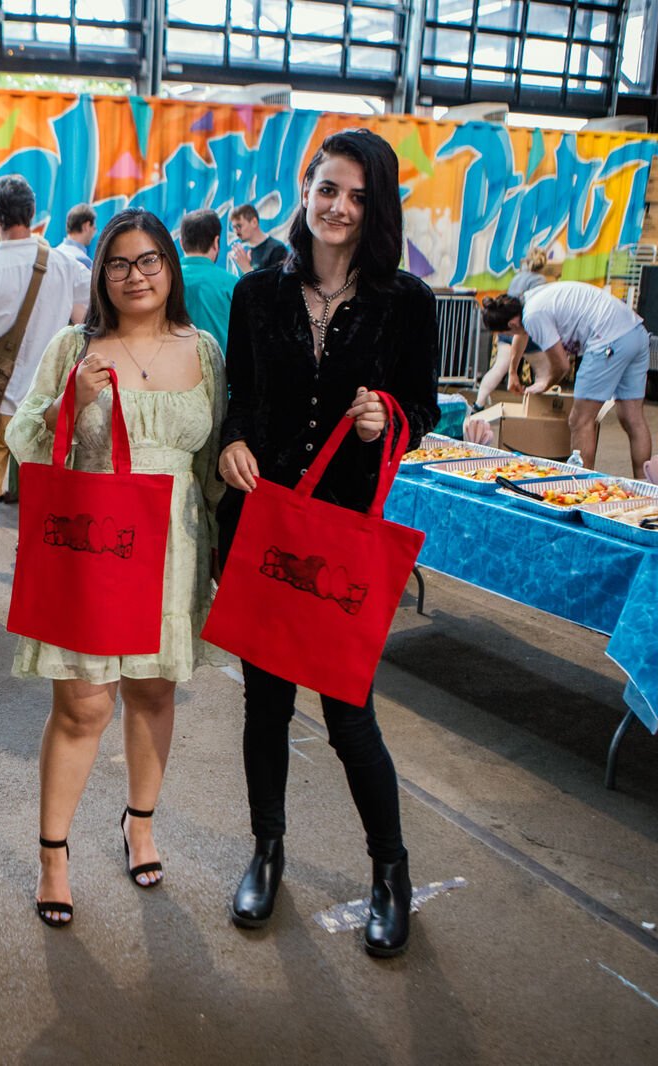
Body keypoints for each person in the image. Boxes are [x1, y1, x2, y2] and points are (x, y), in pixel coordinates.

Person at [217, 128, 439, 957]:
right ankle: (267, 849)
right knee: (264, 703)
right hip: (266, 521)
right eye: (327, 190)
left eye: (357, 195)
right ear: (305, 190)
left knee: (349, 713)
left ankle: (391, 870)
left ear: (375, 206)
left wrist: (394, 417)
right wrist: (232, 440)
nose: (339, 208)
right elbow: (240, 393)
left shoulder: (408, 302)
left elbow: (427, 410)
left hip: (343, 533)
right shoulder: (257, 293)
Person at [2, 208, 226, 929]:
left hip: (174, 546)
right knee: (84, 704)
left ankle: (140, 823)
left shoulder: (207, 350)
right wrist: (77, 399)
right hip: (96, 546)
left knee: (153, 694)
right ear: (101, 274)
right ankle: (53, 855)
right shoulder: (75, 346)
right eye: (120, 263)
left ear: (172, 268)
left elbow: (213, 458)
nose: (136, 275)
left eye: (149, 260)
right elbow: (25, 440)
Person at [0, 175, 90, 551]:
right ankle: (40, 586)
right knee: (45, 504)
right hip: (46, 405)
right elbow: (88, 317)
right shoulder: (64, 264)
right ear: (32, 213)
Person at [480, 281, 652, 474]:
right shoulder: (529, 301)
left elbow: (561, 365)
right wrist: (513, 372)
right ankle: (644, 484)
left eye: (506, 334)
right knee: (632, 418)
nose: (510, 337)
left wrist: (544, 384)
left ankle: (581, 487)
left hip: (608, 341)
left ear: (511, 324)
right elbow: (522, 333)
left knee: (580, 421)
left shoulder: (533, 316)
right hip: (635, 332)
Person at [476, 247, 549, 406]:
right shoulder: (540, 281)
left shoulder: (517, 277)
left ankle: (478, 404)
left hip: (507, 328)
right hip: (525, 330)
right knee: (544, 372)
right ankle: (539, 410)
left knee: (498, 368)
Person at [177, 207, 238, 355]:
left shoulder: (165, 280)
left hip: (174, 373)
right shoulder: (233, 285)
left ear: (181, 242)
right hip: (224, 375)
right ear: (216, 242)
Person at [229, 203, 288, 274]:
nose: (236, 231)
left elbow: (275, 284)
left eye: (239, 226)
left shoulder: (277, 250)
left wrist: (247, 269)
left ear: (254, 222)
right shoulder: (247, 252)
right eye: (234, 228)